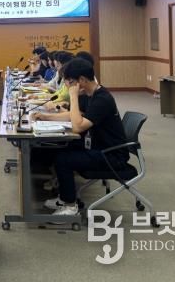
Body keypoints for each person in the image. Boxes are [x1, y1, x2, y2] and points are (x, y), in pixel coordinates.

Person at [44, 58, 128, 217]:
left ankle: (70, 206)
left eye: (70, 82)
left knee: (64, 159)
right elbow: (75, 115)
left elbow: (77, 126)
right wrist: (44, 117)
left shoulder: (102, 99)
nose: (68, 86)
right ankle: (64, 197)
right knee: (58, 149)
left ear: (81, 80)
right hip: (97, 145)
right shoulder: (90, 94)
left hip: (111, 154)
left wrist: (73, 96)